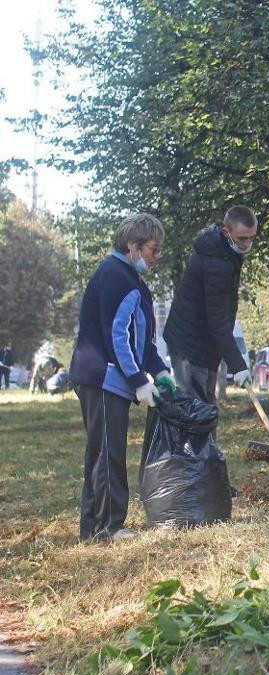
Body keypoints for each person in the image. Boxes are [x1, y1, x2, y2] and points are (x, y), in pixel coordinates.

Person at [68, 212, 172, 542]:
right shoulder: (115, 277)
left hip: (111, 378)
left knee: (106, 451)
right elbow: (117, 338)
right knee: (105, 453)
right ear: (133, 246)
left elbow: (141, 340)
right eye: (153, 249)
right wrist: (138, 380)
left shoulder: (130, 280)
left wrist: (161, 372)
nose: (157, 257)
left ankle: (96, 527)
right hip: (101, 377)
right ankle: (105, 527)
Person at [163, 205, 258, 403]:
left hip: (202, 345)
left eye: (251, 237)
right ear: (226, 232)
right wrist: (238, 366)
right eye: (242, 238)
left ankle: (206, 435)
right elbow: (217, 320)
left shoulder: (225, 252)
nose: (247, 243)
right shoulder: (217, 263)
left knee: (205, 409)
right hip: (189, 346)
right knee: (195, 413)